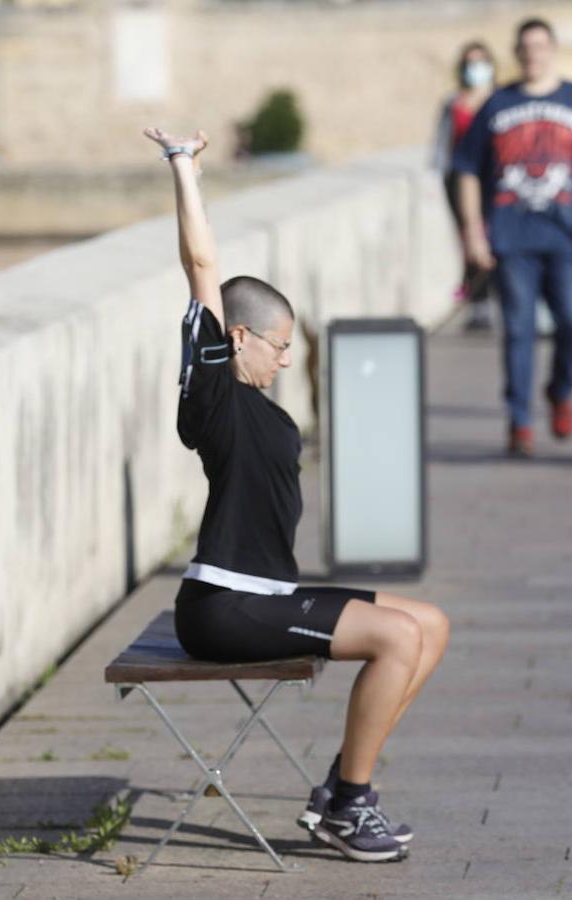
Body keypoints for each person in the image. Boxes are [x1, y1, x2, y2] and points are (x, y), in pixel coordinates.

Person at [143, 125, 450, 863]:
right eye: (280, 346)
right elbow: (201, 260)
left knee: (430, 625)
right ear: (238, 335)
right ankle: (350, 805)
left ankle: (342, 787)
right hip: (222, 607)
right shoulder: (215, 388)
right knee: (397, 637)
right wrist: (183, 166)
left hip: (265, 596)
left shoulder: (263, 405)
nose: (286, 358)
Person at [453, 18, 572, 458]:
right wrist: (473, 231)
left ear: (553, 49)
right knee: (519, 333)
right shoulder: (496, 105)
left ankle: (561, 390)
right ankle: (520, 421)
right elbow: (466, 170)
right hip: (512, 239)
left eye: (540, 46)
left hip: (569, 237)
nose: (533, 54)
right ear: (517, 52)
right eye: (525, 47)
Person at [431, 41, 497, 333]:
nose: (476, 69)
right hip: (459, 181)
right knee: (469, 239)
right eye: (471, 63)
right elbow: (442, 144)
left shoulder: (499, 100)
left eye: (481, 62)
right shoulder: (453, 102)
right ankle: (478, 304)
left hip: (493, 181)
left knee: (495, 238)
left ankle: (496, 297)